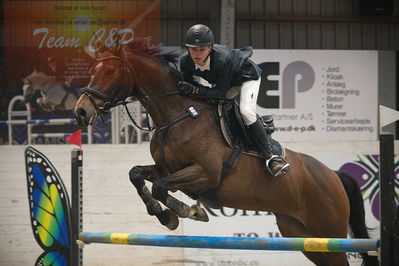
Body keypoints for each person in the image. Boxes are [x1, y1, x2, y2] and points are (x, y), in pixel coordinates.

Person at [177, 24, 290, 178]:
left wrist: (195, 90)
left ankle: (271, 157)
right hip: (225, 82)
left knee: (246, 112)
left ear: (210, 48)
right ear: (187, 48)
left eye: (201, 49)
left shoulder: (222, 59)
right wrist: (191, 90)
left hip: (246, 76)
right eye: (193, 49)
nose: (197, 54)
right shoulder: (185, 61)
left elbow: (220, 93)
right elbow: (189, 88)